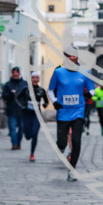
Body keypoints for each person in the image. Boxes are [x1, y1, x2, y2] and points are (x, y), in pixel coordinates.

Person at [48, 47, 96, 181]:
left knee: (76, 141)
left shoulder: (84, 72)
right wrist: (55, 102)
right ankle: (61, 146)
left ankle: (72, 169)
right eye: (68, 56)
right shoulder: (58, 72)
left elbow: (92, 89)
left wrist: (88, 94)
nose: (71, 58)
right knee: (62, 141)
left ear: (77, 57)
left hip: (78, 111)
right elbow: (50, 90)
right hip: (63, 112)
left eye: (73, 56)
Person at [1, 67, 30, 150]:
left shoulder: (25, 84)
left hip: (22, 110)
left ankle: (18, 142)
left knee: (21, 128)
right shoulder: (8, 84)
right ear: (12, 74)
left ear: (19, 74)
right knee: (12, 128)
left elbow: (28, 96)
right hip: (11, 110)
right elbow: (4, 96)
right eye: (14, 74)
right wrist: (10, 94)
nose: (15, 75)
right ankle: (14, 144)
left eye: (17, 74)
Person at [24, 71, 50, 162]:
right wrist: (23, 106)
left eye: (37, 77)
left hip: (37, 115)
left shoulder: (41, 90)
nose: (35, 79)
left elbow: (46, 101)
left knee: (35, 134)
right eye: (33, 77)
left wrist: (45, 105)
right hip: (27, 114)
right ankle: (28, 135)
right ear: (31, 79)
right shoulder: (26, 89)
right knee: (27, 135)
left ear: (39, 79)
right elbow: (18, 98)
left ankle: (32, 154)